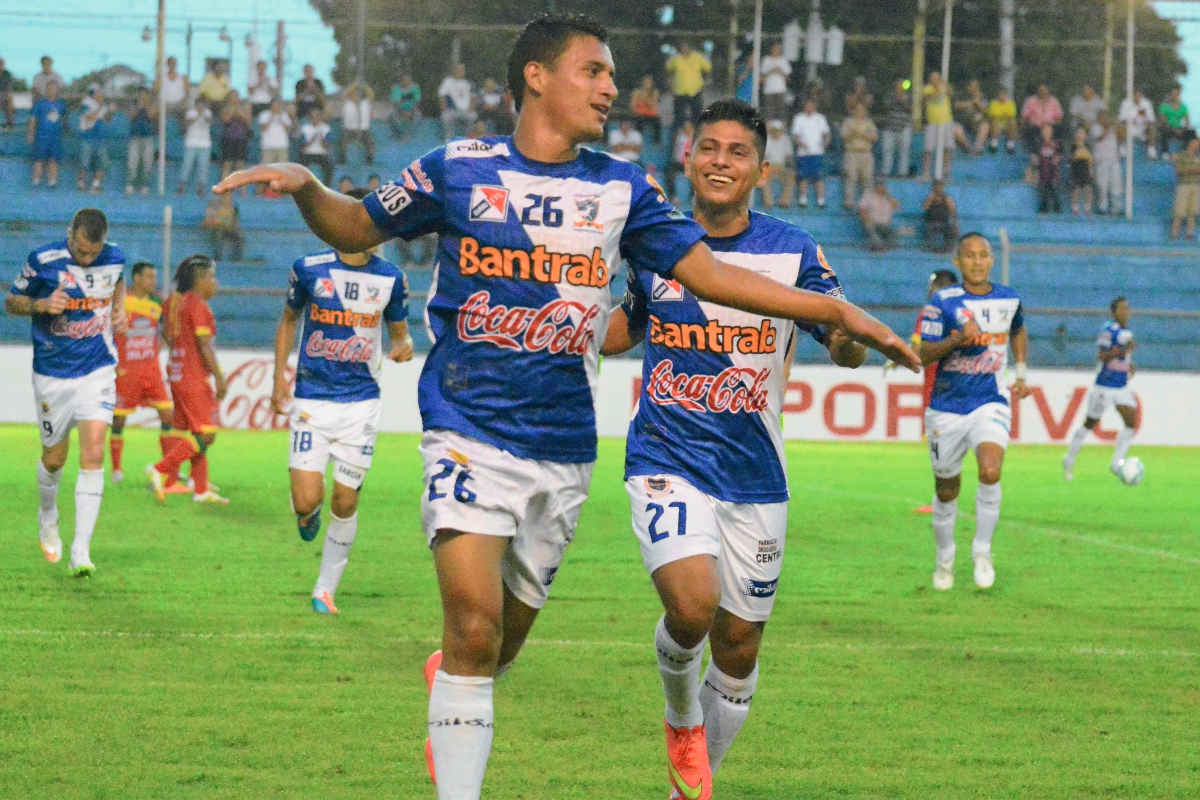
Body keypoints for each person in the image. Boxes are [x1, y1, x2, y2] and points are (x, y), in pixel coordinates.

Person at [212, 14, 918, 800]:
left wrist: (835, 313)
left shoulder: (625, 188)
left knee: (499, 646)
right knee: (474, 627)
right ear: (538, 77)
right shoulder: (457, 169)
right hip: (468, 426)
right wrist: (309, 187)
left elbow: (708, 276)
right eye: (594, 71)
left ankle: (460, 694)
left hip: (565, 446)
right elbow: (356, 223)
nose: (612, 87)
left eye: (611, 75)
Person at [600, 99, 869, 800]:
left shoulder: (794, 250)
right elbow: (629, 321)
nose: (720, 160)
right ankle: (680, 717)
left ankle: (690, 788)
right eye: (708, 148)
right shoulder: (654, 241)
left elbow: (837, 340)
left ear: (762, 172)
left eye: (737, 152)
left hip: (755, 473)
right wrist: (557, 332)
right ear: (687, 160)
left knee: (740, 647)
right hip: (666, 455)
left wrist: (848, 340)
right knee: (692, 607)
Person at [270, 187, 414, 613]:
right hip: (313, 400)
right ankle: (305, 515)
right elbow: (288, 320)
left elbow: (400, 334)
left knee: (346, 500)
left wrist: (404, 346)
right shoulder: (309, 270)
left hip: (361, 405)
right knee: (307, 500)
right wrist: (279, 377)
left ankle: (324, 589)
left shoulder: (391, 278)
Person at [5, 208, 128, 576]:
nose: (88, 258)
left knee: (93, 452)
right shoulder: (43, 261)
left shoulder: (116, 257)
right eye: (82, 251)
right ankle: (48, 516)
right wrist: (41, 304)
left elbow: (118, 281)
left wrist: (118, 309)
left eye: (95, 252)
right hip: (53, 373)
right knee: (55, 458)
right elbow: (11, 302)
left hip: (98, 369)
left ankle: (81, 551)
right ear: (70, 233)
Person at [917, 232, 1029, 591]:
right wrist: (955, 340)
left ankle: (982, 550)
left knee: (991, 470)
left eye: (984, 255)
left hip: (990, 400)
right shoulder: (942, 302)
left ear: (992, 260)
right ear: (958, 262)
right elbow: (922, 355)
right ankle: (945, 556)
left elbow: (1018, 330)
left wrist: (1021, 372)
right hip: (946, 407)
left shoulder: (1009, 298)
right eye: (970, 256)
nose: (977, 262)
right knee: (947, 490)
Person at [146, 255, 229, 504]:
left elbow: (169, 338)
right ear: (200, 280)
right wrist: (220, 378)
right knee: (206, 434)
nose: (215, 283)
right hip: (194, 376)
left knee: (192, 431)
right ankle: (159, 469)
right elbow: (205, 345)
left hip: (177, 371)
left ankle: (201, 490)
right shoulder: (198, 305)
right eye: (212, 277)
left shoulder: (173, 301)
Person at [110, 261, 174, 484]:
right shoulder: (121, 300)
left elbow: (167, 331)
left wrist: (162, 350)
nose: (153, 281)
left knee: (168, 417)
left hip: (151, 371)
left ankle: (166, 468)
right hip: (126, 371)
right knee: (118, 421)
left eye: (154, 277)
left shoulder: (158, 302)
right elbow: (105, 331)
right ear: (136, 278)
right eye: (148, 277)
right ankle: (117, 470)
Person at [1063, 297, 1138, 482]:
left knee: (1131, 421)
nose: (1126, 311)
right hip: (1104, 386)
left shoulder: (1126, 332)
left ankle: (1116, 463)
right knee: (1090, 423)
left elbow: (1121, 356)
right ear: (1113, 313)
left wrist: (1129, 364)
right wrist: (1123, 352)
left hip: (1121, 387)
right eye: (1121, 309)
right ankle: (1069, 458)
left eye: (1127, 308)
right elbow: (1102, 355)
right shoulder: (1108, 330)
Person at [791, 98, 830, 208]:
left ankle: (821, 200)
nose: (809, 108)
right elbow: (795, 136)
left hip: (817, 152)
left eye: (811, 105)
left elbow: (826, 133)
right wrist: (801, 144)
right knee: (803, 177)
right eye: (807, 105)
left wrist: (826, 143)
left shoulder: (820, 118)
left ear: (815, 107)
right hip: (803, 153)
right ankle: (803, 200)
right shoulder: (799, 118)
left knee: (819, 177)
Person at [28, 80, 66, 188]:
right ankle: (36, 180)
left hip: (55, 136)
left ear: (57, 90)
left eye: (54, 88)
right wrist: (31, 134)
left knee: (54, 159)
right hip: (41, 136)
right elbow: (33, 119)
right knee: (38, 159)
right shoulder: (40, 103)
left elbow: (63, 119)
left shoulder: (61, 104)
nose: (52, 90)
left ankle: (52, 181)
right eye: (49, 88)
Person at [667, 40, 711, 132]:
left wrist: (707, 80)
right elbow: (669, 71)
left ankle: (697, 133)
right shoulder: (676, 59)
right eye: (682, 49)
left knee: (697, 114)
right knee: (679, 115)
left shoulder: (698, 57)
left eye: (686, 48)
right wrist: (670, 83)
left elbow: (707, 69)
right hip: (680, 90)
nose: (684, 50)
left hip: (694, 90)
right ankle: (677, 135)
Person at [841, 102, 878, 210]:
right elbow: (844, 136)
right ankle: (849, 202)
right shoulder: (849, 123)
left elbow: (874, 137)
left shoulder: (869, 123)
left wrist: (861, 134)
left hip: (866, 153)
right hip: (852, 152)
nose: (860, 112)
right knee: (851, 176)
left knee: (867, 178)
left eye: (862, 110)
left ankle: (867, 203)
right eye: (858, 110)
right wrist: (854, 133)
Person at [78, 87, 111, 194]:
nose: (100, 95)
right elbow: (89, 117)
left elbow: (108, 120)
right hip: (88, 137)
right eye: (98, 93)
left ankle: (95, 185)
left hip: (100, 138)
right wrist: (101, 109)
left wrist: (110, 112)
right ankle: (81, 184)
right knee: (84, 163)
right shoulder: (87, 103)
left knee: (102, 163)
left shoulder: (103, 106)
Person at [922, 71, 954, 181]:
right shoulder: (927, 89)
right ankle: (926, 172)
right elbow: (932, 96)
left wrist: (945, 86)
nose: (935, 80)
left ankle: (947, 172)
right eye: (933, 78)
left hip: (946, 120)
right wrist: (939, 87)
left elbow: (950, 93)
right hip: (932, 122)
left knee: (947, 147)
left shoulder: (944, 87)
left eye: (937, 78)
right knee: (928, 148)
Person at [125, 88, 157, 195]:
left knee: (147, 162)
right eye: (141, 95)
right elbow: (131, 116)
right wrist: (139, 106)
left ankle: (145, 185)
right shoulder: (133, 104)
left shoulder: (152, 104)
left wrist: (146, 105)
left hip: (148, 137)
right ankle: (130, 184)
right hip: (135, 137)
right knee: (132, 162)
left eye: (145, 95)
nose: (143, 97)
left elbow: (152, 115)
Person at [178, 99, 213, 197]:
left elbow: (209, 121)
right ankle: (181, 186)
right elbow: (189, 122)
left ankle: (201, 187)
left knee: (203, 167)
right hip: (191, 143)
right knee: (187, 165)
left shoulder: (208, 112)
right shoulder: (191, 112)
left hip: (204, 144)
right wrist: (198, 115)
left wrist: (203, 114)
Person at [1093, 111, 1124, 215]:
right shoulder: (1095, 128)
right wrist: (1108, 128)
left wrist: (1118, 128)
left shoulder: (1113, 128)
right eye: (1102, 118)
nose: (1105, 120)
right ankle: (1103, 208)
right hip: (1101, 161)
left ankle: (1117, 208)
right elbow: (1099, 138)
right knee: (1102, 185)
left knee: (1116, 185)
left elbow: (1121, 139)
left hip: (1114, 160)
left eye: (1106, 118)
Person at [1170, 135, 1200, 241]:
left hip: (1195, 185)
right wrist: (1192, 170)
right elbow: (1178, 170)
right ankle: (1174, 233)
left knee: (1192, 211)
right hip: (1183, 185)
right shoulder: (1181, 156)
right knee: (1179, 211)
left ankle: (1190, 233)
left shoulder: (1198, 157)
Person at [881, 79, 912, 178]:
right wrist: (895, 100)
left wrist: (902, 101)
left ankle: (902, 173)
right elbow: (885, 108)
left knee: (904, 151)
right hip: (890, 127)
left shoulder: (909, 96)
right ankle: (886, 172)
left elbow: (911, 109)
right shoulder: (890, 95)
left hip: (904, 127)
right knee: (887, 150)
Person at [858, 180, 900, 252]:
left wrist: (889, 196)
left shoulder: (888, 198)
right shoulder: (869, 196)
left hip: (885, 225)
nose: (882, 188)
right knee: (871, 230)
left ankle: (886, 249)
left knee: (894, 237)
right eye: (880, 186)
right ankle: (878, 246)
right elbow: (861, 210)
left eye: (883, 186)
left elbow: (897, 206)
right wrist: (867, 220)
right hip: (872, 223)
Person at [761, 119, 794, 208]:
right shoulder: (766, 139)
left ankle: (784, 202)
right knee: (764, 178)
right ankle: (768, 202)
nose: (776, 133)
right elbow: (764, 157)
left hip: (781, 165)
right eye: (774, 131)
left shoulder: (785, 139)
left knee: (790, 177)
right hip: (769, 165)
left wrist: (790, 166)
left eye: (778, 131)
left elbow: (789, 156)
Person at [219, 91, 252, 181]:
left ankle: (243, 192)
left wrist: (239, 112)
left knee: (240, 165)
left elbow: (248, 121)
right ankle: (224, 187)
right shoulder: (225, 108)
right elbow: (226, 120)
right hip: (228, 139)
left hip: (241, 139)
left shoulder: (243, 108)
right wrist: (233, 111)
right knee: (227, 164)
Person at [339, 83, 376, 165]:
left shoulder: (365, 103)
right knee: (343, 141)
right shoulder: (346, 103)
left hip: (363, 130)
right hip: (349, 130)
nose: (355, 95)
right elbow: (344, 95)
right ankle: (342, 160)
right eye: (353, 93)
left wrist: (363, 85)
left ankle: (369, 160)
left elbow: (371, 94)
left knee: (371, 142)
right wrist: (354, 85)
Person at [1020, 85, 1064, 153]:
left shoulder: (1054, 101)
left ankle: (1056, 153)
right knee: (1031, 132)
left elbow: (1059, 116)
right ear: (1037, 92)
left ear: (1047, 92)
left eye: (1044, 91)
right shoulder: (1030, 101)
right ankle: (1038, 153)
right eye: (1040, 91)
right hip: (1036, 126)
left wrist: (1055, 124)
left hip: (1051, 125)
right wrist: (1023, 126)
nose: (1042, 92)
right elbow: (1024, 116)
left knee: (1058, 129)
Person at [438, 64, 476, 139]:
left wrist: (470, 109)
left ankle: (466, 138)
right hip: (452, 110)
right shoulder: (448, 82)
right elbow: (441, 96)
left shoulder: (468, 83)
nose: (460, 72)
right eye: (458, 70)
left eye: (462, 70)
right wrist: (445, 109)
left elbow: (473, 98)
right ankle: (448, 138)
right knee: (445, 117)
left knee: (473, 117)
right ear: (454, 71)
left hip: (466, 111)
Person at [202, 192, 243, 261]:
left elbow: (236, 223)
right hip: (216, 229)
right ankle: (217, 257)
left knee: (239, 236)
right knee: (218, 234)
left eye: (229, 196)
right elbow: (207, 221)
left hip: (228, 229)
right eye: (224, 196)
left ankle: (237, 259)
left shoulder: (234, 207)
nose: (227, 198)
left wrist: (232, 226)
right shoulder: (214, 206)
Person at [1118, 88, 1157, 160]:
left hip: (1142, 129)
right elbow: (1121, 119)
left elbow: (1151, 119)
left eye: (1138, 95)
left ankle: (1151, 150)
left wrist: (1143, 122)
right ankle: (1122, 149)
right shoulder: (1125, 103)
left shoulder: (1146, 103)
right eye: (1135, 95)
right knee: (1120, 126)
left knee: (1152, 127)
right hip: (1129, 129)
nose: (1137, 97)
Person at [299, 108, 334, 185]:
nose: (315, 118)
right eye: (313, 116)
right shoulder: (305, 128)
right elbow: (303, 146)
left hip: (321, 153)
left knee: (329, 167)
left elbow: (327, 146)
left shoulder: (326, 128)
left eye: (317, 116)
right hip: (308, 153)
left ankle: (326, 187)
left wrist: (321, 138)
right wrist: (312, 140)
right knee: (300, 167)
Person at [758, 42, 792, 124]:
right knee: (769, 112)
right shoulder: (766, 60)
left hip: (780, 90)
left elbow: (788, 77)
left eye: (778, 49)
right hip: (769, 90)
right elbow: (761, 77)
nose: (776, 51)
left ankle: (780, 131)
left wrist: (780, 71)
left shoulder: (783, 60)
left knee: (781, 112)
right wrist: (771, 71)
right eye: (775, 49)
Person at [922, 179, 959, 252]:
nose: (938, 189)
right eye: (936, 187)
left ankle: (948, 249)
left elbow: (953, 211)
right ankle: (931, 249)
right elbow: (924, 208)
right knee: (928, 229)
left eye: (940, 187)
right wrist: (931, 198)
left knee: (953, 230)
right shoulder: (930, 198)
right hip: (931, 223)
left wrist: (955, 224)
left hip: (944, 223)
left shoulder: (947, 198)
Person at [955, 80, 990, 155]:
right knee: (955, 130)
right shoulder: (962, 95)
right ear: (968, 88)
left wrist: (977, 104)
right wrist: (971, 103)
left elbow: (986, 112)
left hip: (976, 125)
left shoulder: (983, 97)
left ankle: (977, 147)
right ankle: (967, 147)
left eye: (975, 87)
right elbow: (957, 106)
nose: (973, 89)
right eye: (972, 87)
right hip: (963, 124)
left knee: (985, 126)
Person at [1157, 86, 1191, 159]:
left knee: (1191, 132)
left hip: (1179, 128)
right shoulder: (1164, 106)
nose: (1174, 96)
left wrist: (1183, 129)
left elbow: (1187, 120)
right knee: (1164, 130)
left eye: (1176, 94)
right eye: (1173, 94)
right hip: (1169, 128)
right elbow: (1163, 121)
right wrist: (1173, 129)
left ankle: (1188, 152)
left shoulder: (1183, 107)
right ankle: (1165, 152)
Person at [154, 56, 190, 125]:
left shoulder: (182, 78)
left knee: (186, 114)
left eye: (174, 63)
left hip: (179, 103)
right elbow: (155, 91)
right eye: (170, 63)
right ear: (167, 64)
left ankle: (182, 133)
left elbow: (187, 92)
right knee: (156, 113)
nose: (172, 65)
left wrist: (185, 102)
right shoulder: (161, 78)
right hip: (164, 104)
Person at [1035, 124, 1062, 214]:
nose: (1047, 133)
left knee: (1054, 188)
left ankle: (1057, 208)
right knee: (1043, 189)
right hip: (1042, 169)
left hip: (1053, 170)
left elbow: (1060, 155)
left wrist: (1057, 158)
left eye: (1048, 131)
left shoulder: (1056, 143)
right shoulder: (1038, 143)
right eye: (1045, 131)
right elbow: (1034, 156)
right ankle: (1043, 208)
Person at [257, 98, 293, 165]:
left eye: (278, 105)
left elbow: (287, 129)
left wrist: (281, 117)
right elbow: (263, 128)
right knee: (267, 169)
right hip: (268, 146)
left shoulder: (284, 115)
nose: (277, 107)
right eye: (275, 105)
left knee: (282, 169)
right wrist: (272, 116)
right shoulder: (264, 115)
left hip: (282, 146)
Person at [666, 120, 694, 203]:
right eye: (685, 127)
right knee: (669, 174)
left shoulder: (695, 138)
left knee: (695, 175)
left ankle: (693, 196)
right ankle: (673, 195)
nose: (687, 129)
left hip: (690, 163)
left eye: (689, 127)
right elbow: (672, 145)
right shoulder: (680, 137)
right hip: (678, 162)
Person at [1068, 126, 1094, 215]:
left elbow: (1090, 159)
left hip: (1085, 170)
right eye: (1079, 134)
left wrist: (1090, 168)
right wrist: (1081, 155)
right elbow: (1073, 157)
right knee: (1076, 189)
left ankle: (1088, 208)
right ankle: (1075, 208)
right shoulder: (1073, 146)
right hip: (1076, 170)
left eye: (1082, 134)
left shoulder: (1088, 146)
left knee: (1088, 188)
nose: (1081, 136)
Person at [389, 74, 422, 141]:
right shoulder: (396, 88)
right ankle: (403, 134)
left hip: (412, 109)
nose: (406, 82)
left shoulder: (415, 88)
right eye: (404, 80)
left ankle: (409, 133)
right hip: (399, 109)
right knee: (393, 116)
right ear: (401, 81)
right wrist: (402, 112)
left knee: (418, 115)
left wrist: (410, 110)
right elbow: (395, 103)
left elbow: (417, 102)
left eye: (408, 80)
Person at [631, 75, 662, 144]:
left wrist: (645, 98)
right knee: (639, 122)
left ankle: (657, 141)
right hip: (640, 114)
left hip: (651, 114)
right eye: (646, 83)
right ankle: (637, 141)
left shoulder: (655, 93)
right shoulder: (637, 92)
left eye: (649, 83)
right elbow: (633, 105)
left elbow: (653, 105)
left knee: (657, 122)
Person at [986, 88, 1018, 153]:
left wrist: (999, 115)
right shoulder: (993, 103)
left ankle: (1010, 144)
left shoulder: (1011, 104)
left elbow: (1012, 115)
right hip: (996, 125)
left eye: (1003, 95)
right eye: (1000, 94)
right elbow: (992, 114)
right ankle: (993, 143)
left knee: (1013, 122)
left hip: (1007, 124)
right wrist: (1004, 115)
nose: (1001, 96)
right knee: (995, 121)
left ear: (1006, 95)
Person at [0, 56, 16, 130]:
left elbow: (9, 89)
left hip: (4, 97)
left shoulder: (7, 74)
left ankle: (9, 124)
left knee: (9, 101)